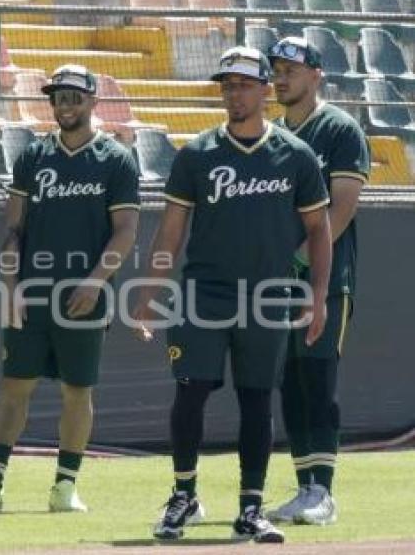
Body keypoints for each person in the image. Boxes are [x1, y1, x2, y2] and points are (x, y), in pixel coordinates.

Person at [132, 47, 333, 543]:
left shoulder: (296, 155)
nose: (234, 94)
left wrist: (318, 294)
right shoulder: (197, 154)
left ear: (265, 90)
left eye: (244, 84)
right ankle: (183, 496)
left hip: (268, 295)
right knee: (191, 391)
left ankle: (251, 508)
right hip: (204, 294)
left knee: (257, 399)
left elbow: (319, 228)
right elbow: (171, 231)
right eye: (227, 85)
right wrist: (150, 291)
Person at [0, 64, 141, 513]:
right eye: (58, 97)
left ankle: (65, 487)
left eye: (74, 96)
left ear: (93, 101)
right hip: (32, 295)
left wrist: (94, 284)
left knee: (77, 391)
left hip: (84, 298)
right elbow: (13, 231)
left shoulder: (116, 160)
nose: (65, 105)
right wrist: (11, 288)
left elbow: (126, 231)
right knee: (13, 386)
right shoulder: (33, 157)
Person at [266, 37, 370, 526]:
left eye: (291, 69)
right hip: (276, 284)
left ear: (316, 74)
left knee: (318, 380)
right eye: (276, 69)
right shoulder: (271, 134)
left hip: (325, 282)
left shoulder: (340, 128)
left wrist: (300, 260)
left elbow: (342, 209)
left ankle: (324, 492)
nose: (280, 78)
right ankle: (305, 485)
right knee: (290, 384)